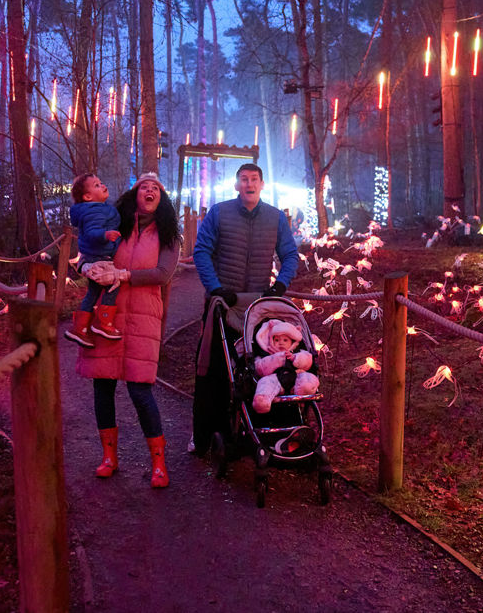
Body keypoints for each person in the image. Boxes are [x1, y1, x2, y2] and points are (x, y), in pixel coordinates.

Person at [75, 173, 180, 488]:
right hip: (108, 314)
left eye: (156, 189)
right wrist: (84, 268)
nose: (149, 190)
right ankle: (109, 457)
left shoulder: (169, 235)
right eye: (143, 187)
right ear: (133, 195)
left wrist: (125, 274)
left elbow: (162, 274)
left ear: (162, 199)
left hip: (143, 317)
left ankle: (158, 463)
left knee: (140, 390)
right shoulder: (113, 222)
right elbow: (88, 252)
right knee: (102, 387)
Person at [190, 163, 299, 452]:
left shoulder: (275, 218)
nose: (249, 184)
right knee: (213, 369)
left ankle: (266, 430)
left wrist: (280, 286)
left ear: (262, 184)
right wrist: (214, 287)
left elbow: (290, 254)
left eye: (254, 179)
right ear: (236, 185)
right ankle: (205, 436)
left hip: (259, 308)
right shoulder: (220, 213)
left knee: (264, 367)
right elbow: (201, 251)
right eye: (243, 179)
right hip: (224, 302)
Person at [66, 173, 122, 347]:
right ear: (88, 197)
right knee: (113, 284)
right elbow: (91, 232)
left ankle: (80, 329)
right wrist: (105, 235)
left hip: (92, 257)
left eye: (101, 182)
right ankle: (104, 323)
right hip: (98, 258)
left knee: (93, 292)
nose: (102, 185)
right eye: (97, 185)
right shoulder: (94, 209)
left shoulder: (95, 208)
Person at [251, 319, 319, 414]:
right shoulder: (266, 354)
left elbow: (308, 361)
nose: (281, 343)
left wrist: (295, 358)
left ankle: (304, 390)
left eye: (285, 340)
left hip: (296, 376)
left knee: (307, 377)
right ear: (271, 341)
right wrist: (277, 358)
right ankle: (262, 400)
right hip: (275, 379)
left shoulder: (298, 351)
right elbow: (260, 368)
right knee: (265, 382)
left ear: (292, 341)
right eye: (276, 340)